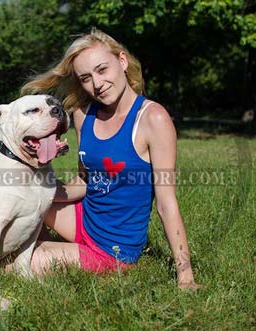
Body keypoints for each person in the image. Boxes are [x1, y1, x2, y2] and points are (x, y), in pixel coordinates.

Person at [21, 28, 201, 289]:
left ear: (122, 61)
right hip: (82, 219)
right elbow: (85, 181)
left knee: (27, 259)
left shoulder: (153, 119)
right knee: (18, 198)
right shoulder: (84, 115)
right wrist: (42, 189)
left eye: (102, 69)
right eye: (86, 77)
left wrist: (186, 277)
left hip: (113, 250)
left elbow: (166, 204)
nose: (97, 83)